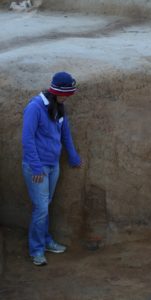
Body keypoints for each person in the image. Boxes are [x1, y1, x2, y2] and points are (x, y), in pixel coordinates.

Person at [22, 71, 81, 266]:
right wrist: (36, 167)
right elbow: (27, 139)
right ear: (56, 91)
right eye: (66, 94)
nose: (68, 98)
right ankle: (36, 250)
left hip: (53, 165)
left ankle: (46, 241)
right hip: (37, 168)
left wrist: (73, 156)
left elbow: (66, 135)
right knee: (40, 209)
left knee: (45, 207)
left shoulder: (59, 107)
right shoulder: (35, 107)